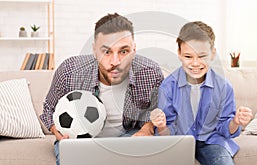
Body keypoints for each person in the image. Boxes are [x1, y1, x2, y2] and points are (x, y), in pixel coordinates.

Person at [40, 13, 164, 165]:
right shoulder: (69, 70)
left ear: (134, 49)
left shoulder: (150, 72)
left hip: (127, 137)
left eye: (123, 51)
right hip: (79, 141)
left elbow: (158, 110)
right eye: (106, 52)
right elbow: (48, 109)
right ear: (94, 50)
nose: (115, 61)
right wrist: (55, 130)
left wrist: (148, 128)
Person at [150, 21, 253, 165]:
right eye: (188, 57)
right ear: (179, 54)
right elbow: (167, 134)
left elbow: (225, 129)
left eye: (202, 56)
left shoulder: (223, 87)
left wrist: (235, 122)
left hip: (212, 141)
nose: (195, 63)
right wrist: (161, 125)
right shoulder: (168, 87)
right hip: (179, 142)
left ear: (212, 54)